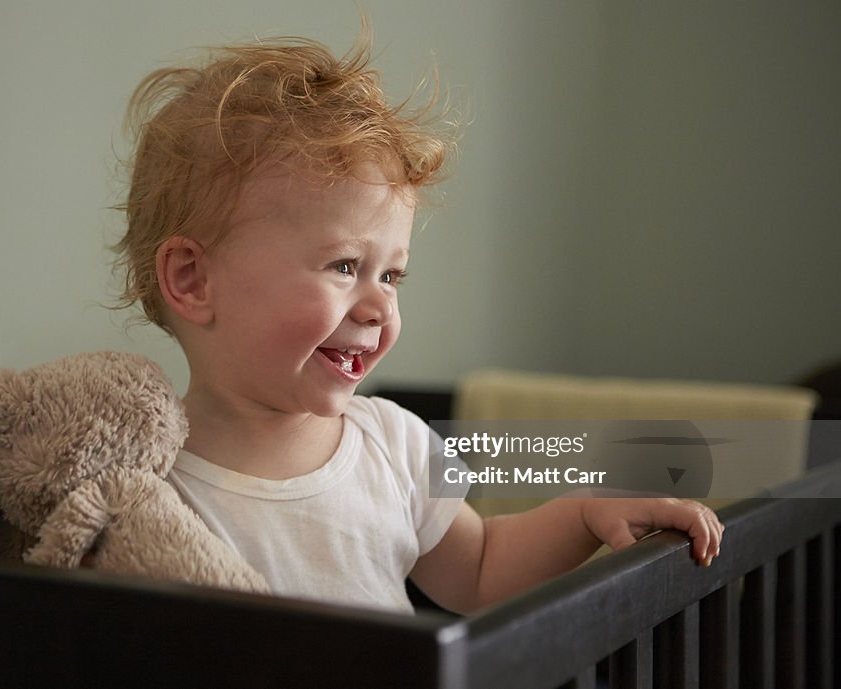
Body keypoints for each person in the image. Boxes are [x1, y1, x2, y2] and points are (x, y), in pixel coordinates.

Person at [111, 31, 723, 614]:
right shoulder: (141, 491)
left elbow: (482, 568)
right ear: (193, 280)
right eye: (345, 265)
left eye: (392, 275)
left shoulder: (393, 444)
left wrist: (585, 511)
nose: (379, 306)